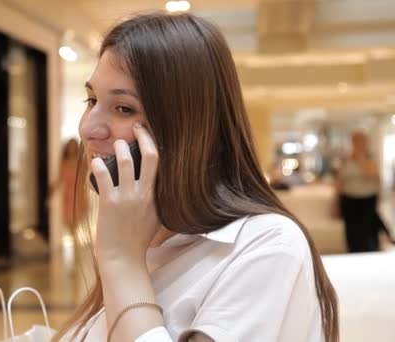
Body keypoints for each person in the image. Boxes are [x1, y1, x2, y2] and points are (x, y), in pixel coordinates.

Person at [53, 12, 338, 342]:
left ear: (187, 125)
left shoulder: (268, 246)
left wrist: (122, 263)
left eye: (124, 108)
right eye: (92, 100)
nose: (87, 128)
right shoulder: (150, 238)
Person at [335, 131, 393, 252]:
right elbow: (339, 182)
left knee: (370, 228)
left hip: (367, 199)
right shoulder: (346, 161)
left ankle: (374, 248)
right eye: (355, 142)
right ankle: (353, 251)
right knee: (352, 230)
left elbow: (372, 174)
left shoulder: (370, 160)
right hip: (349, 199)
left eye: (361, 142)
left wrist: (361, 158)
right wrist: (336, 202)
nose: (358, 145)